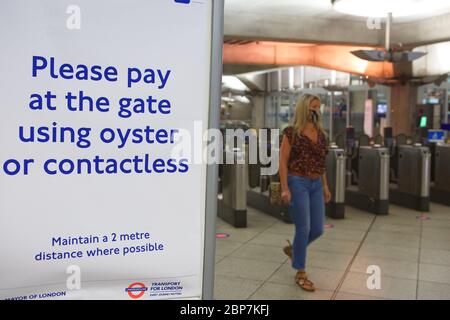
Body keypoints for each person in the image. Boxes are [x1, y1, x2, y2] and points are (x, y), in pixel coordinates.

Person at [279, 93, 331, 292]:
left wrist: (325, 186)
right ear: (304, 109)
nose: (316, 110)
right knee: (303, 228)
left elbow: (321, 163)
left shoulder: (321, 134)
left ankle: (295, 250)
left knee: (317, 229)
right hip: (297, 181)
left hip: (316, 182)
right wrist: (285, 187)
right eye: (312, 107)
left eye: (318, 107)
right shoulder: (291, 132)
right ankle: (300, 271)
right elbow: (283, 161)